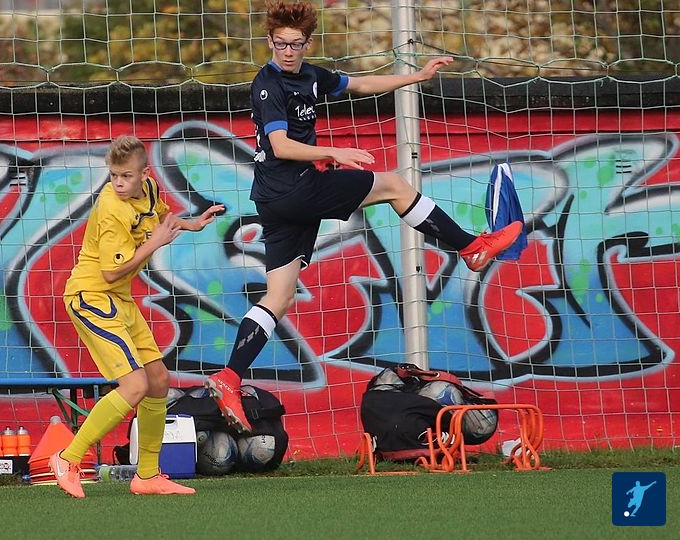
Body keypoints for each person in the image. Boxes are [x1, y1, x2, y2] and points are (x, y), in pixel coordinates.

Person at [204, 1, 524, 433]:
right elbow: (280, 145)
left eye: (296, 44)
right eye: (280, 44)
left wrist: (417, 76)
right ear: (269, 42)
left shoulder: (311, 75)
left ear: (307, 43)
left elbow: (361, 83)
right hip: (293, 188)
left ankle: (229, 377)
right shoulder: (269, 84)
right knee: (394, 185)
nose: (288, 51)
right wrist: (332, 151)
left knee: (278, 296)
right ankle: (472, 247)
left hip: (276, 199)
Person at [52, 135, 224, 498]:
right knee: (135, 386)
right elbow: (111, 272)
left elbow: (161, 217)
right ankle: (68, 459)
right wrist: (155, 242)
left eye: (126, 176)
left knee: (158, 380)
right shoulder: (111, 209)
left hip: (120, 300)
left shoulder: (149, 189)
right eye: (113, 175)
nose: (118, 182)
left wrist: (192, 224)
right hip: (91, 297)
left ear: (144, 174)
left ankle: (147, 476)